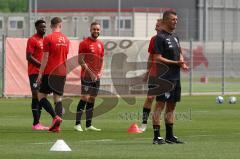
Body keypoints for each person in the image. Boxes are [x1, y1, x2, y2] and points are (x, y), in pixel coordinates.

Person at [152, 10, 188, 144]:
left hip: (175, 78)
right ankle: (157, 137)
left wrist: (182, 63)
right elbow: (157, 58)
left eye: (177, 20)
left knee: (172, 107)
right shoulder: (160, 38)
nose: (176, 22)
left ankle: (170, 136)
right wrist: (176, 63)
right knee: (160, 106)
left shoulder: (175, 37)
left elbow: (179, 54)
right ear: (166, 20)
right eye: (173, 19)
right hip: (163, 78)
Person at [36, 17, 70, 133]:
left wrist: (40, 74)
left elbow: (45, 57)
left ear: (51, 26)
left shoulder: (48, 38)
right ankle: (57, 126)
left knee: (40, 96)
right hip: (62, 72)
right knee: (58, 98)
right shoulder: (66, 39)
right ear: (60, 25)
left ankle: (55, 117)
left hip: (50, 72)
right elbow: (65, 57)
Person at [74, 22, 104, 132]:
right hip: (86, 76)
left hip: (96, 77)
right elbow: (80, 60)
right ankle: (77, 124)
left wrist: (100, 72)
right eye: (94, 29)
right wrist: (90, 73)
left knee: (92, 99)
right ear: (90, 30)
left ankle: (88, 125)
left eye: (97, 29)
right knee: (85, 98)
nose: (96, 31)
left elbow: (102, 60)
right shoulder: (84, 43)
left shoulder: (101, 44)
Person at [139, 19, 164, 132]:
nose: (155, 28)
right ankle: (143, 124)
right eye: (155, 26)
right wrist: (147, 72)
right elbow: (150, 57)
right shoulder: (153, 40)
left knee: (162, 102)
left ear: (164, 26)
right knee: (150, 98)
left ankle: (158, 124)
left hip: (166, 76)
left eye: (157, 26)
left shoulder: (170, 39)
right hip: (154, 74)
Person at [26, 19, 49, 130]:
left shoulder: (46, 41)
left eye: (44, 27)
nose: (43, 29)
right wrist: (41, 66)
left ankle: (36, 123)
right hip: (34, 73)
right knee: (36, 95)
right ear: (36, 28)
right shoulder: (32, 40)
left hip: (44, 74)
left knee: (40, 96)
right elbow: (29, 57)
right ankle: (36, 123)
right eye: (41, 27)